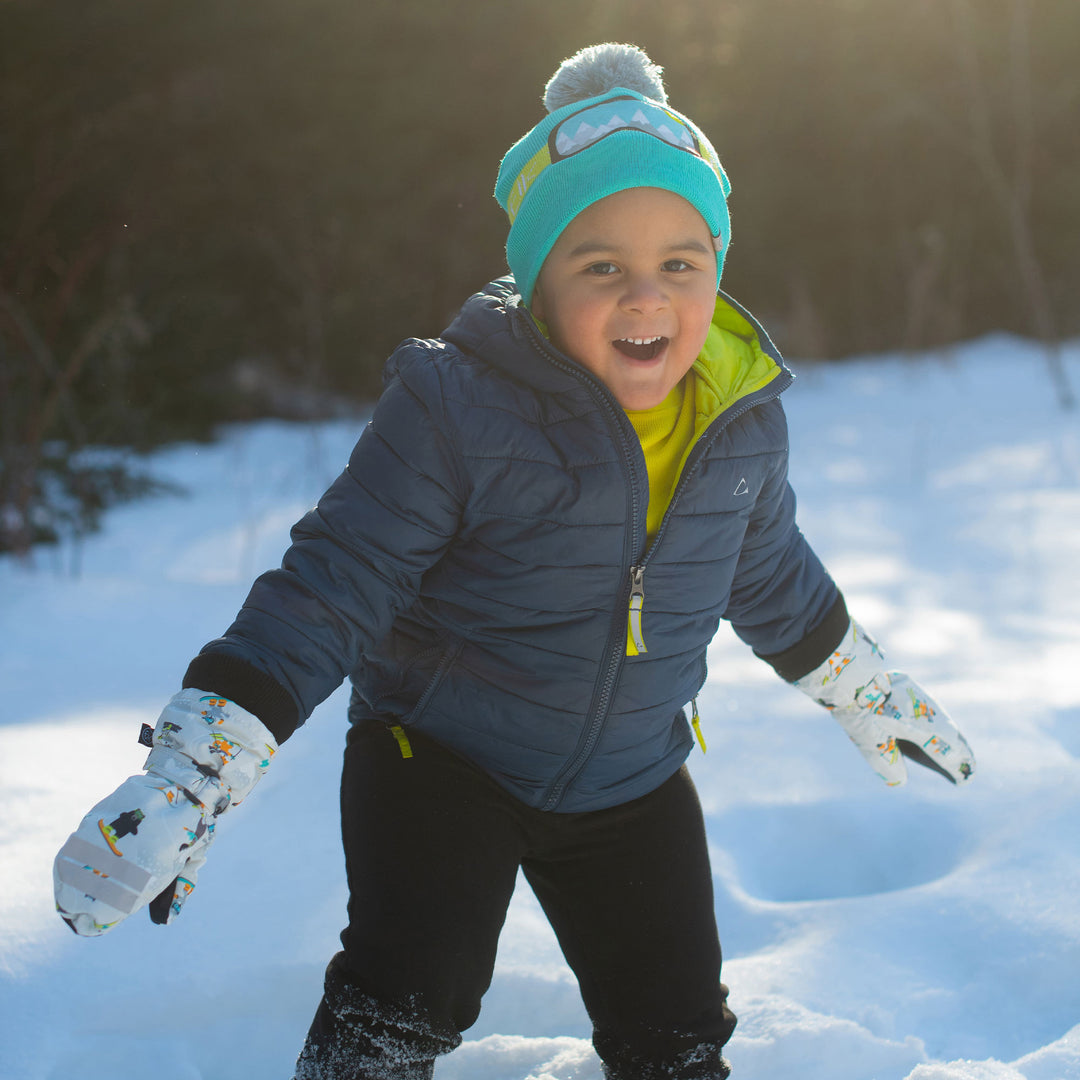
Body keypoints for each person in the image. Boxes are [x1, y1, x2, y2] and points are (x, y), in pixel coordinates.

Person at [53, 43, 976, 1080]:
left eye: (681, 262)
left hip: (631, 774)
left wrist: (860, 685)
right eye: (601, 267)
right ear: (538, 280)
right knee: (412, 986)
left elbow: (765, 570)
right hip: (442, 759)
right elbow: (332, 584)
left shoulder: (739, 420)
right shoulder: (456, 406)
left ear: (718, 267)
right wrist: (196, 771)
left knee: (677, 1024)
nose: (647, 299)